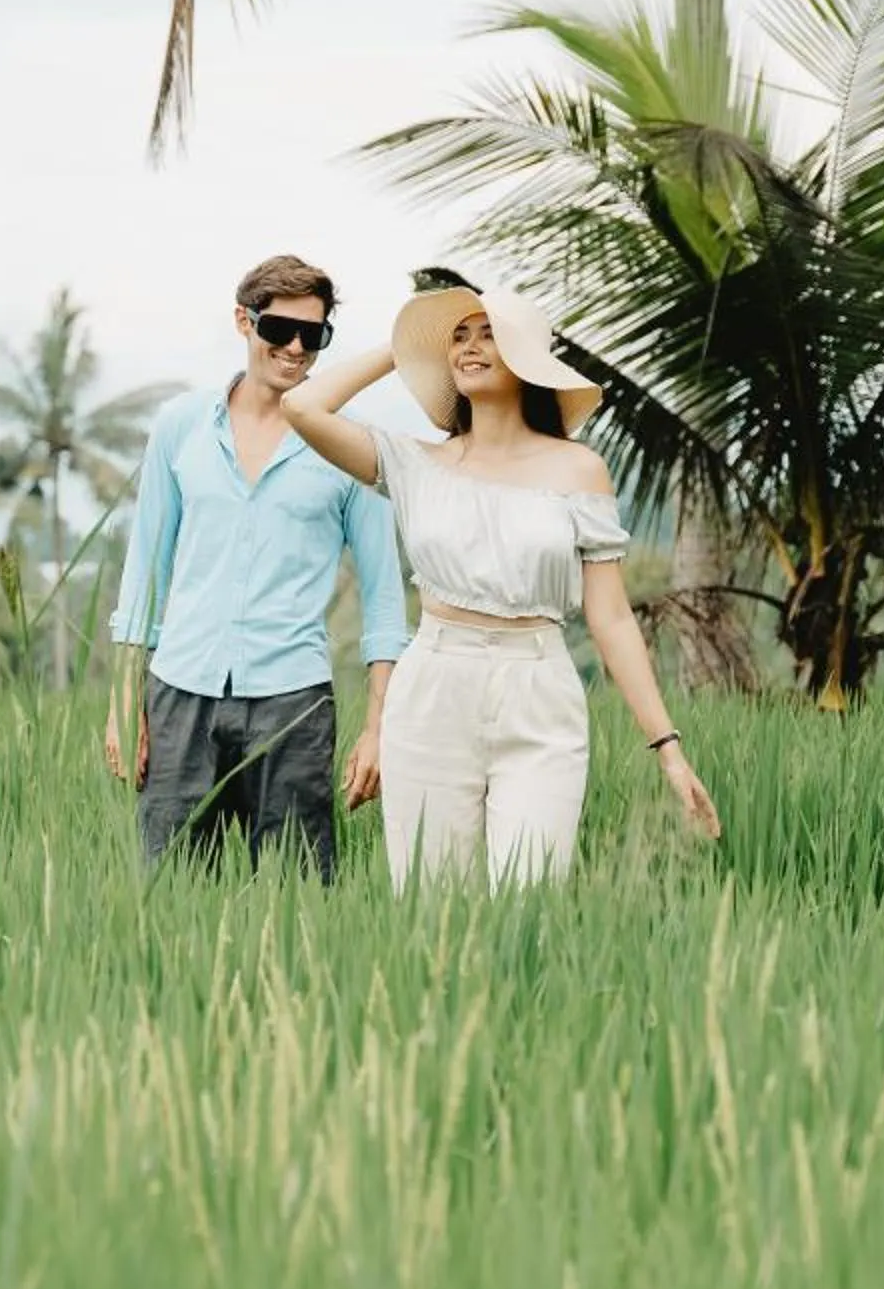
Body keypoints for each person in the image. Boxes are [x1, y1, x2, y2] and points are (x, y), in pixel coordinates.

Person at [281, 281, 721, 886]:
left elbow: (611, 618)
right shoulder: (416, 464)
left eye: (489, 333)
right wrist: (404, 347)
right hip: (433, 687)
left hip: (539, 691)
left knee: (529, 901)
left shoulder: (578, 469)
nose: (468, 346)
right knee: (430, 907)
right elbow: (303, 408)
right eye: (457, 338)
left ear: (525, 357)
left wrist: (668, 748)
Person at [105, 253, 409, 878]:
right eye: (280, 330)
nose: (296, 348)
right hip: (181, 693)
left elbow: (384, 600)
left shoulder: (353, 446)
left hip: (292, 704)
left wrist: (378, 727)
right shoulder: (180, 428)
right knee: (169, 892)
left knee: (296, 894)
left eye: (314, 336)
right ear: (244, 323)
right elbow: (146, 572)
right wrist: (122, 701)